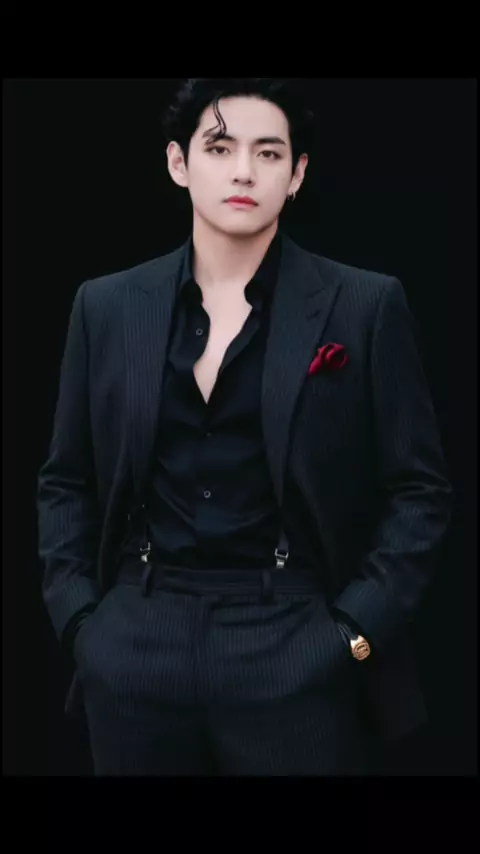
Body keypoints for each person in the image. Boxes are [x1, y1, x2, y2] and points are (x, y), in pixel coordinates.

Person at [37, 78, 453, 776]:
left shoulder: (364, 305)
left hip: (292, 636)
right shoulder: (105, 306)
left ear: (297, 174)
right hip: (137, 638)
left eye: (268, 153)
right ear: (179, 163)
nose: (243, 172)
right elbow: (64, 479)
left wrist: (354, 631)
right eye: (220, 147)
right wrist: (82, 623)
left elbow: (420, 489)